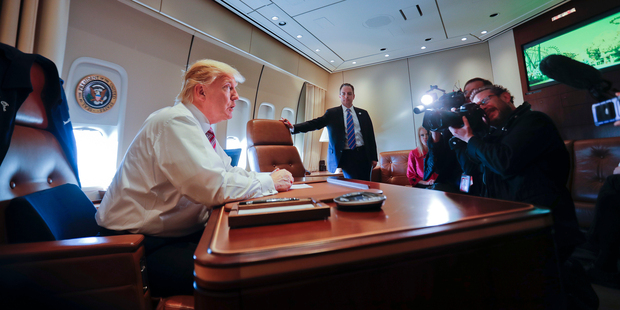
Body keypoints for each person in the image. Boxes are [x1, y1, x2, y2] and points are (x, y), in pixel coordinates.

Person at [95, 59, 294, 297]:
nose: (236, 96)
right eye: (228, 87)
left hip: (170, 235)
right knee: (245, 273)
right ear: (201, 91)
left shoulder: (200, 129)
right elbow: (214, 187)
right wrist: (269, 182)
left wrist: (266, 177)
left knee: (255, 246)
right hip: (140, 246)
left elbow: (227, 170)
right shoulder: (174, 122)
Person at [449, 84, 584, 263]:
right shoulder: (494, 135)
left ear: (505, 97)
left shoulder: (533, 120)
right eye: (477, 107)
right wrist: (460, 139)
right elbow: (471, 169)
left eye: (485, 100)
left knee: (552, 279)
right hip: (515, 222)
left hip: (543, 221)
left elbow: (505, 162)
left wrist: (470, 139)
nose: (482, 108)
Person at [280, 83, 378, 180]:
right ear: (340, 96)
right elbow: (315, 123)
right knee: (353, 184)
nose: (346, 96)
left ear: (353, 96)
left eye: (349, 93)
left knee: (366, 184)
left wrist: (374, 157)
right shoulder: (332, 114)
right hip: (346, 155)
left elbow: (370, 136)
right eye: (343, 94)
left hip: (364, 154)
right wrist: (294, 127)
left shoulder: (363, 114)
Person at [423, 77, 493, 193]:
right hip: (453, 186)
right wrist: (436, 129)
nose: (468, 96)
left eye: (474, 91)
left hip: (483, 186)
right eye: (466, 92)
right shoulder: (455, 123)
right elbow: (439, 166)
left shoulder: (490, 123)